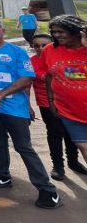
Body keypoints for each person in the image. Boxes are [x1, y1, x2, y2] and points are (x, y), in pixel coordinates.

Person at [0, 15, 60, 209]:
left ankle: (47, 190)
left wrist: (0, 95)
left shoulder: (16, 52)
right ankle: (2, 175)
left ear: (2, 31)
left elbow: (26, 79)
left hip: (13, 109)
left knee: (23, 147)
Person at [39, 15, 87, 179]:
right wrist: (51, 100)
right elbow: (49, 75)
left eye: (61, 31)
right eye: (54, 32)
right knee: (83, 146)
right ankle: (61, 166)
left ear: (76, 31)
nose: (57, 35)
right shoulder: (50, 50)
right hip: (69, 112)